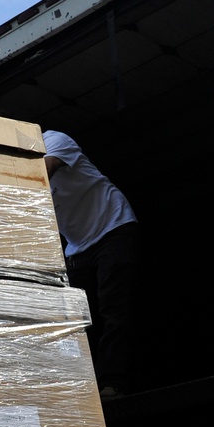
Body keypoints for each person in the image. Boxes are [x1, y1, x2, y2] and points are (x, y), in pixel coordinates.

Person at [42, 131, 139, 399]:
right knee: (79, 320)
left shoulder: (52, 140)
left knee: (113, 308)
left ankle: (114, 382)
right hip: (78, 245)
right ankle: (84, 387)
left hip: (112, 226)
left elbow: (42, 172)